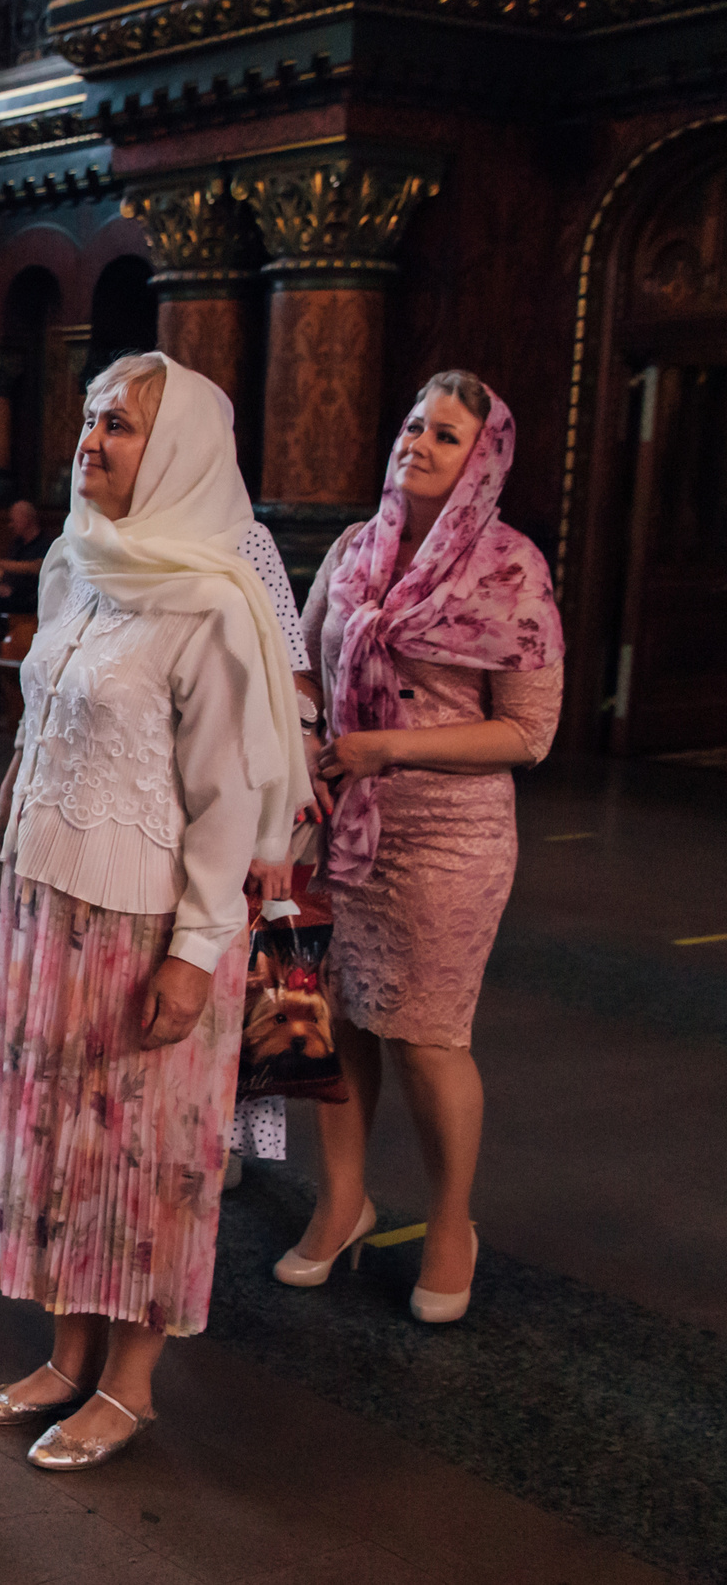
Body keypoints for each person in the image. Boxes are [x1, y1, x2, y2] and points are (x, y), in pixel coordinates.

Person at [0, 352, 308, 1470]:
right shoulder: (77, 564)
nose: (91, 440)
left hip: (146, 920)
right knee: (61, 1139)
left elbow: (229, 798)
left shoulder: (208, 603)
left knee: (144, 1152)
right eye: (90, 419)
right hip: (51, 899)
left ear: (179, 455)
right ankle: (66, 1357)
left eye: (120, 426)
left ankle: (131, 1383)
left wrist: (197, 950)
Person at [273, 373, 563, 1324]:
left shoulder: (511, 567)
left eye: (444, 435)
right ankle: (343, 1200)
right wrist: (308, 742)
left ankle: (450, 1222)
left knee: (431, 1039)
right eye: (411, 426)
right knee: (336, 1019)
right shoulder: (359, 550)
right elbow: (304, 664)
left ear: (481, 459)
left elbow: (528, 734)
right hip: (344, 820)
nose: (417, 444)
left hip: (449, 833)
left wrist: (388, 746)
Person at [0, 498, 52, 616]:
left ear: (26, 519)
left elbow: (33, 567)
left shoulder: (44, 544)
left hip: (27, 601)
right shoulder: (18, 544)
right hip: (8, 596)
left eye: (13, 520)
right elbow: (2, 570)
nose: (10, 525)